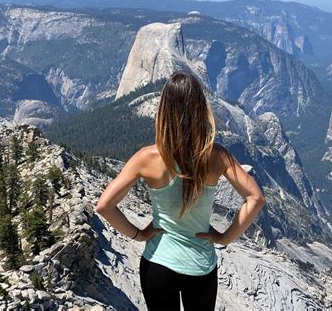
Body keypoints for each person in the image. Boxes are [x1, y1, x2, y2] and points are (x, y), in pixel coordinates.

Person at [95, 71, 266, 310]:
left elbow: (104, 206)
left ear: (164, 110)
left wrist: (139, 234)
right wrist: (224, 238)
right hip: (201, 267)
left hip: (158, 264)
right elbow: (255, 198)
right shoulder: (217, 156)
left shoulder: (147, 157)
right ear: (200, 109)